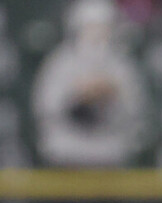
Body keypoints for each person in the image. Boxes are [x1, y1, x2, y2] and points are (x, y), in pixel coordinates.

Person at [31, 0, 151, 167]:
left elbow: (136, 109)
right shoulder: (61, 62)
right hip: (67, 153)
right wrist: (77, 95)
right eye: (91, 27)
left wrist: (111, 92)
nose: (97, 34)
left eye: (103, 27)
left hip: (110, 153)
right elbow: (46, 107)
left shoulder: (121, 65)